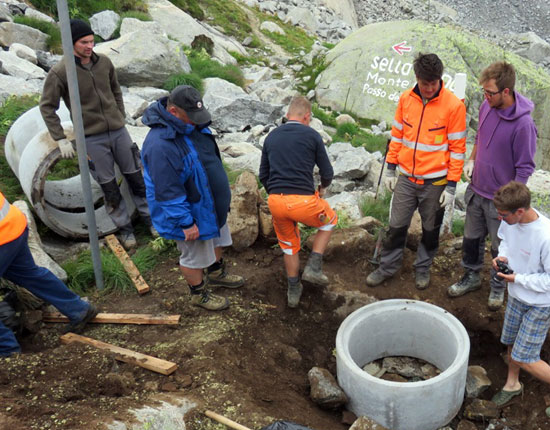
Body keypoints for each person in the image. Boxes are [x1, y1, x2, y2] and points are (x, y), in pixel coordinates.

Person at [39, 19, 153, 250]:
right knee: (109, 186)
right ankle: (126, 230)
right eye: (84, 42)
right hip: (92, 138)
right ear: (71, 44)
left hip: (119, 132)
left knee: (136, 178)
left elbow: (116, 91)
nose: (89, 46)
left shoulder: (105, 63)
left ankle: (152, 221)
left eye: (91, 41)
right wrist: (60, 138)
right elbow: (46, 106)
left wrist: (120, 116)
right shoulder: (61, 72)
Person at [366, 53, 466, 290]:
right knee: (396, 225)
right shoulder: (405, 100)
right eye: (424, 83)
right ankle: (388, 267)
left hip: (436, 182)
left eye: (434, 83)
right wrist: (390, 168)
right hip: (406, 179)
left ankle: (422, 269)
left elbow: (458, 150)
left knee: (431, 230)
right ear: (417, 78)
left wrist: (451, 186)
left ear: (440, 79)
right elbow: (398, 136)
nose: (429, 88)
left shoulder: (453, 106)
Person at [140, 85, 245, 311]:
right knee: (193, 255)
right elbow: (167, 190)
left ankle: (216, 273)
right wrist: (185, 222)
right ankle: (198, 294)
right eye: (192, 117)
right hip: (191, 212)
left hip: (210, 205)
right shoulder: (160, 144)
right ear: (174, 111)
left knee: (217, 239)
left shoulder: (192, 127)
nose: (197, 121)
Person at [490, 182, 550, 418]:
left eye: (503, 215)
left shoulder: (549, 237)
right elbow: (506, 239)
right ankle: (512, 384)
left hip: (542, 303)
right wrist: (503, 255)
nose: (500, 218)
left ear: (519, 211)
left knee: (525, 357)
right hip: (517, 295)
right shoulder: (510, 222)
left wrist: (519, 278)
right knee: (511, 340)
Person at [447, 61, 537, 310]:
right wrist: (472, 159)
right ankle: (471, 276)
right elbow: (480, 136)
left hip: (500, 200)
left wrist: (511, 202)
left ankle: (498, 286)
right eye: (484, 92)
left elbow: (525, 167)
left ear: (505, 92)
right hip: (477, 189)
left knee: (501, 247)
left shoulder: (523, 125)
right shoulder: (487, 106)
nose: (485, 97)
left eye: (490, 92)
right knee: (471, 238)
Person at [259, 96, 338, 308]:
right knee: (330, 220)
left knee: (288, 246)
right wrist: (321, 189)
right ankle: (314, 265)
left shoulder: (271, 137)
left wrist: (275, 194)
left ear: (287, 116)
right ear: (307, 117)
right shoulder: (312, 135)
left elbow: (263, 175)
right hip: (304, 201)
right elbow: (327, 172)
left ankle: (293, 289)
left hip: (276, 201)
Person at [1, 190, 97, 357]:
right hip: (14, 226)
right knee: (30, 274)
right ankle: (78, 309)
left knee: (29, 274)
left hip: (3, 238)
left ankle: (8, 352)